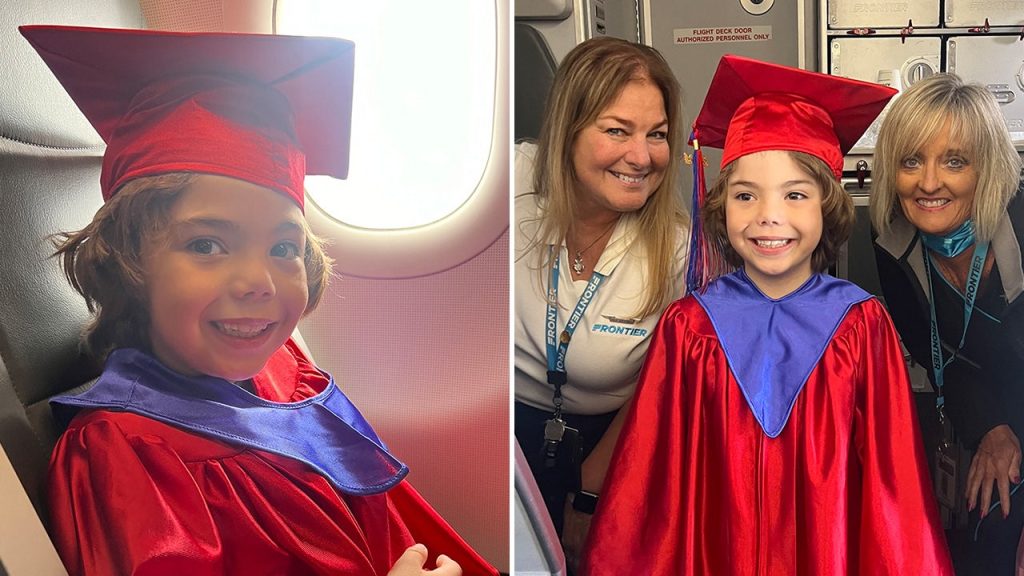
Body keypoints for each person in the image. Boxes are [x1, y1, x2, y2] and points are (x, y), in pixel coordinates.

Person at [21, 25, 496, 576]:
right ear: (126, 264)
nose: (259, 281)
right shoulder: (125, 455)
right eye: (206, 244)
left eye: (283, 247)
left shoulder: (282, 368)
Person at [582, 55, 953, 575]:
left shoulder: (861, 326)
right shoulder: (689, 328)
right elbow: (650, 487)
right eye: (745, 195)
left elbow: (895, 493)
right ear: (720, 207)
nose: (768, 215)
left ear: (827, 206)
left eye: (795, 194)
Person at [513, 36, 688, 569]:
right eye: (616, 130)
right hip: (503, 436)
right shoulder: (509, 183)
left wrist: (590, 495)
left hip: (607, 445)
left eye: (656, 135)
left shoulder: (675, 249)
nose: (641, 157)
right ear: (568, 131)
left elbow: (658, 389)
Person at [870, 72, 1024, 575]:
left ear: (987, 168)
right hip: (993, 414)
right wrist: (992, 428)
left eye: (954, 161)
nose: (929, 182)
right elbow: (947, 362)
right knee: (983, 534)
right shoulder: (895, 247)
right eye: (911, 160)